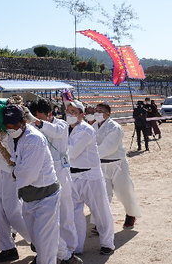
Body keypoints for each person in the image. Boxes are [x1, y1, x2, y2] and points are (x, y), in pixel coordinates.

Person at [4, 104, 61, 264]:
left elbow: (27, 174)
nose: (11, 128)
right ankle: (66, 256)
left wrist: (15, 172)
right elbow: (16, 160)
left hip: (45, 197)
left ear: (23, 122)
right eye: (8, 125)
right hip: (28, 197)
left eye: (14, 124)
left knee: (45, 244)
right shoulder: (12, 137)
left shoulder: (34, 139)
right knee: (37, 239)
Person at [29, 100, 81, 264]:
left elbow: (55, 132)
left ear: (50, 114)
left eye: (39, 118)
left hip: (60, 174)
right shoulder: (32, 128)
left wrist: (37, 122)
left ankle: (70, 249)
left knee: (65, 213)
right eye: (34, 118)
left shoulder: (62, 125)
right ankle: (47, 250)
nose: (36, 121)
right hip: (42, 177)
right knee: (45, 217)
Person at [66, 100, 115, 256]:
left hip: (90, 176)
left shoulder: (86, 130)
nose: (70, 115)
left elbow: (71, 152)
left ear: (82, 114)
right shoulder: (65, 129)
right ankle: (76, 246)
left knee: (100, 211)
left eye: (74, 112)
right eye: (68, 111)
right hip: (72, 176)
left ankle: (107, 243)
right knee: (74, 214)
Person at [92, 103, 142, 228]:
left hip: (117, 164)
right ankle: (101, 223)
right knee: (102, 195)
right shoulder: (93, 126)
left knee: (125, 191)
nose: (97, 112)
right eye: (96, 110)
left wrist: (90, 155)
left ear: (108, 113)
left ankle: (131, 214)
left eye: (101, 110)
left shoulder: (115, 127)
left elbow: (108, 147)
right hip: (101, 166)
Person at [0, 127, 31, 262]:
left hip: (9, 173)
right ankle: (8, 248)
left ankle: (36, 240)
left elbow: (5, 152)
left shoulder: (13, 133)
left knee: (13, 212)